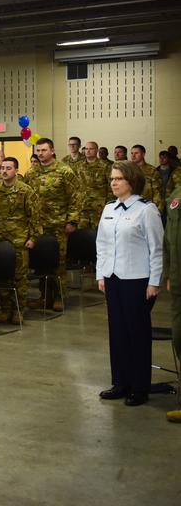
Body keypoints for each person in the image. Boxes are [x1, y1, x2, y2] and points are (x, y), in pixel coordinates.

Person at [96, 160, 163, 407]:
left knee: (137, 334)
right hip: (113, 279)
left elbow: (156, 249)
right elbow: (101, 245)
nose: (113, 183)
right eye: (112, 179)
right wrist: (101, 275)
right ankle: (120, 382)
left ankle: (139, 386)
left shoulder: (146, 210)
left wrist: (154, 281)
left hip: (137, 280)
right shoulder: (109, 208)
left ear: (131, 181)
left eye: (118, 179)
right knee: (118, 333)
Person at [24, 138, 80, 312]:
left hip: (58, 224)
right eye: (38, 151)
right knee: (41, 262)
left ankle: (59, 297)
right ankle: (44, 296)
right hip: (38, 226)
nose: (40, 154)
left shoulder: (64, 171)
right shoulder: (32, 173)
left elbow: (76, 196)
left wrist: (72, 220)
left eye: (44, 150)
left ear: (52, 151)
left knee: (58, 263)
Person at [0, 157, 40, 324]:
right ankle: (5, 309)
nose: (4, 171)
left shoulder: (25, 191)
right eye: (2, 168)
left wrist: (33, 237)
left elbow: (35, 216)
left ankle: (18, 310)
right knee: (2, 276)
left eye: (8, 168)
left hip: (19, 239)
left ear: (16, 170)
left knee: (19, 277)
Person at [165, 183, 181, 422]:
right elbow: (168, 237)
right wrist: (168, 272)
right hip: (178, 280)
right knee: (179, 338)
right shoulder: (176, 195)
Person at [76, 141, 111, 229]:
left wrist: (109, 204)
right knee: (81, 234)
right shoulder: (79, 166)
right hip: (83, 207)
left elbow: (111, 186)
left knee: (98, 233)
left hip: (99, 208)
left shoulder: (105, 166)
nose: (88, 151)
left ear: (97, 150)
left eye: (91, 149)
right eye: (86, 149)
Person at [130, 144, 164, 214]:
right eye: (132, 153)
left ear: (143, 154)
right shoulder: (128, 170)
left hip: (146, 207)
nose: (133, 156)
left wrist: (157, 211)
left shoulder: (152, 171)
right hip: (130, 207)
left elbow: (157, 193)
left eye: (136, 153)